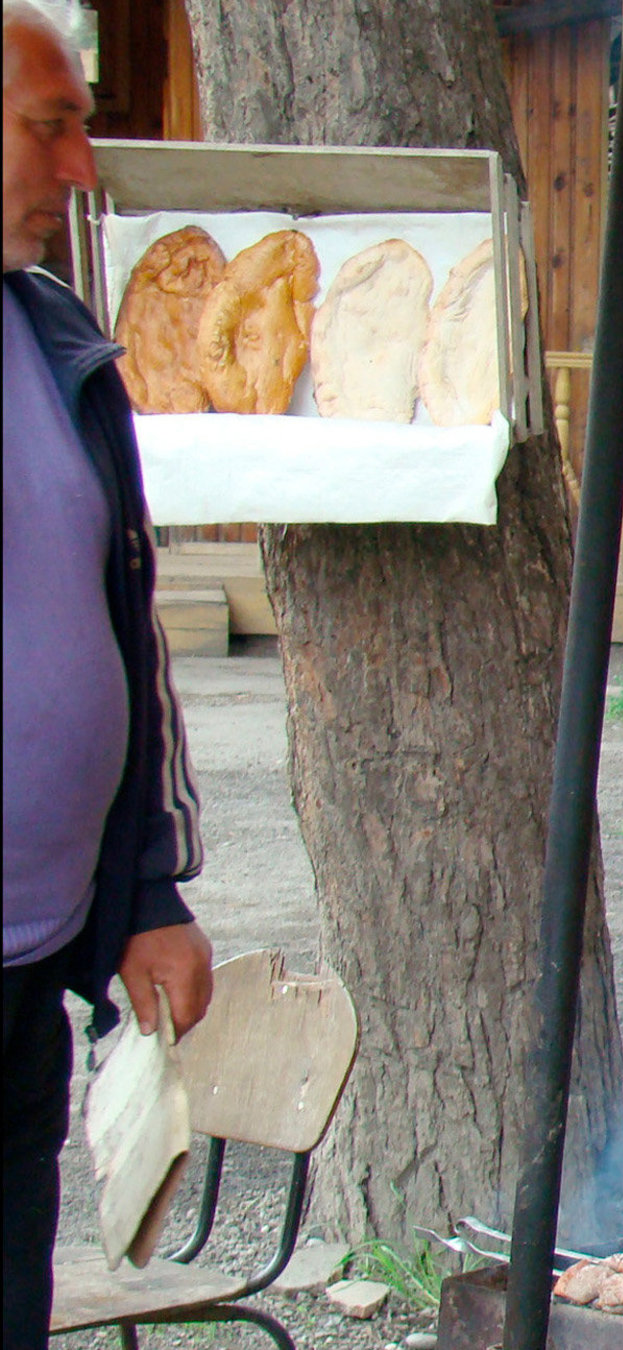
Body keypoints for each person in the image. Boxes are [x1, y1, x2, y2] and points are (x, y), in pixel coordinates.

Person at [4, 3, 212, 1345]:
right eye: (51, 127)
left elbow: (124, 631)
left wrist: (143, 890)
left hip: (27, 958)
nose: (83, 167)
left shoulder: (54, 339)